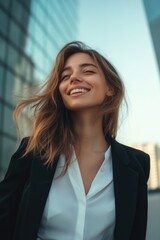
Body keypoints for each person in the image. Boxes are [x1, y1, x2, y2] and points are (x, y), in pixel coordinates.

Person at [0, 41, 150, 240]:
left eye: (87, 71)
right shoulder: (31, 152)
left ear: (111, 89)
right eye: (65, 76)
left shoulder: (137, 164)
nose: (74, 78)